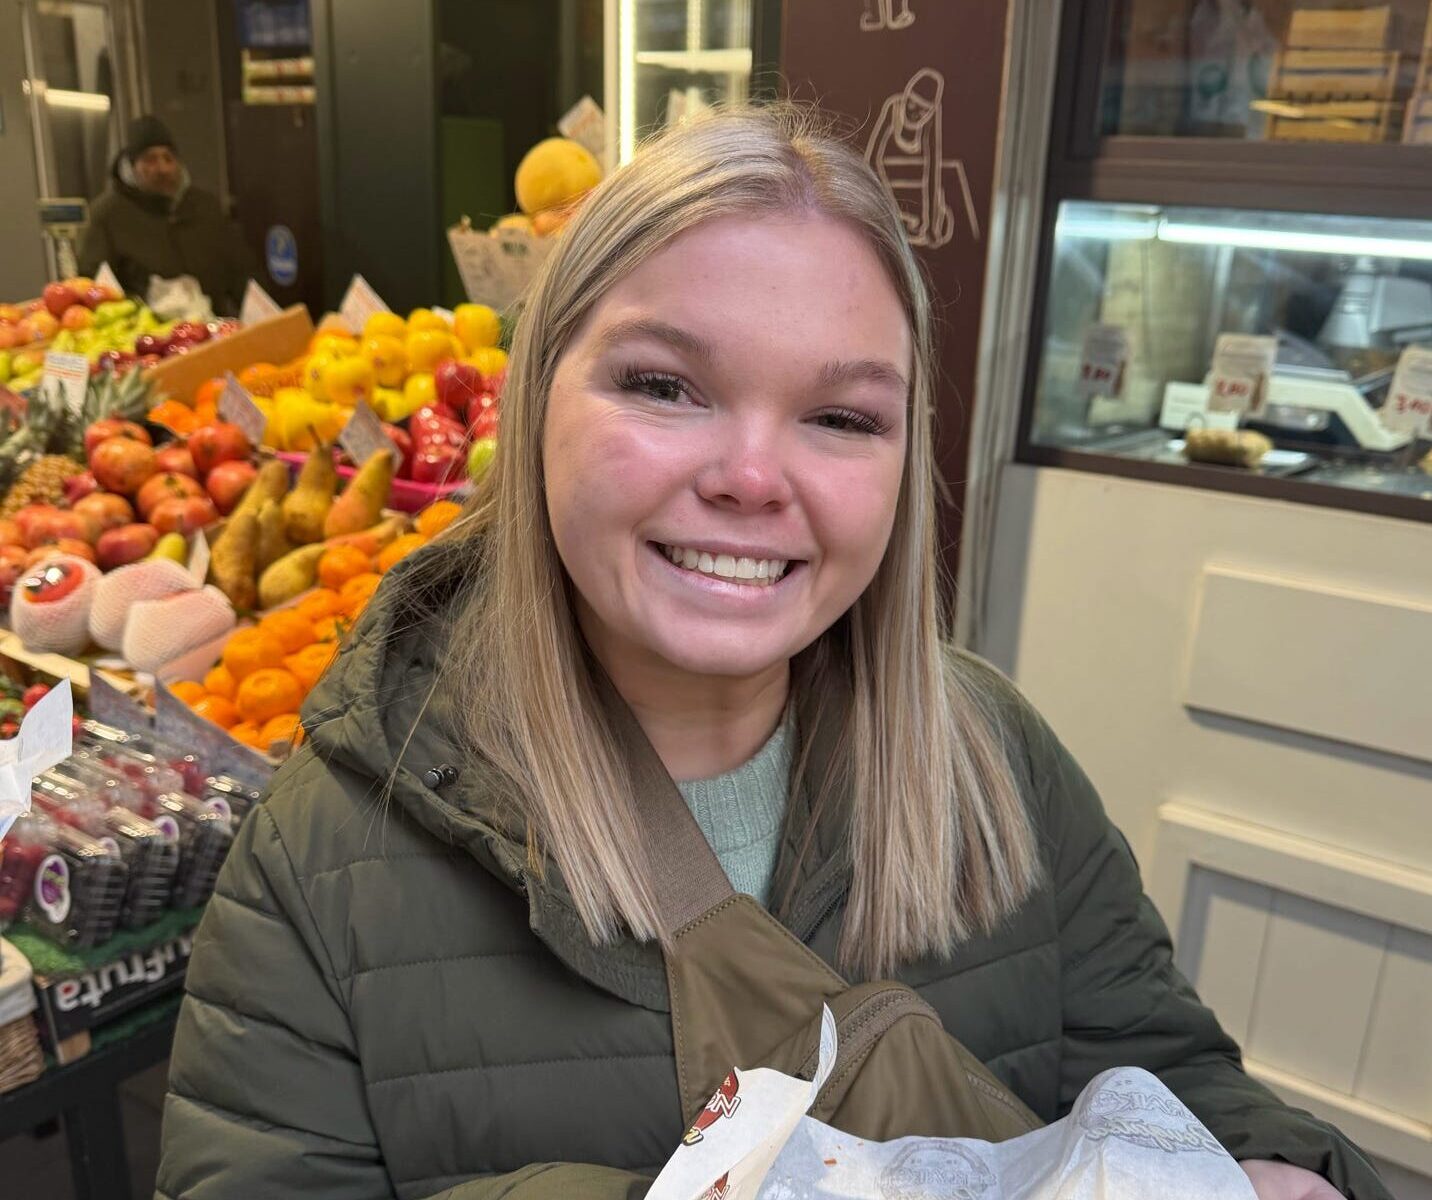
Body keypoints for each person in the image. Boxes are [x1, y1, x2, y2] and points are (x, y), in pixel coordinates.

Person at [156, 105, 1386, 1199]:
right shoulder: (322, 860)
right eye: (664, 386)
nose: (751, 477)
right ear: (534, 403)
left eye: (841, 416)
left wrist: (1272, 1164)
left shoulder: (997, 762)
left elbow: (1175, 1081)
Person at [77, 115, 251, 316]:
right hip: (146, 329)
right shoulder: (107, 214)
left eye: (168, 158)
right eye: (150, 160)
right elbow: (93, 285)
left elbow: (240, 269)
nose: (162, 169)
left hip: (213, 324)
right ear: (131, 167)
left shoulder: (205, 206)